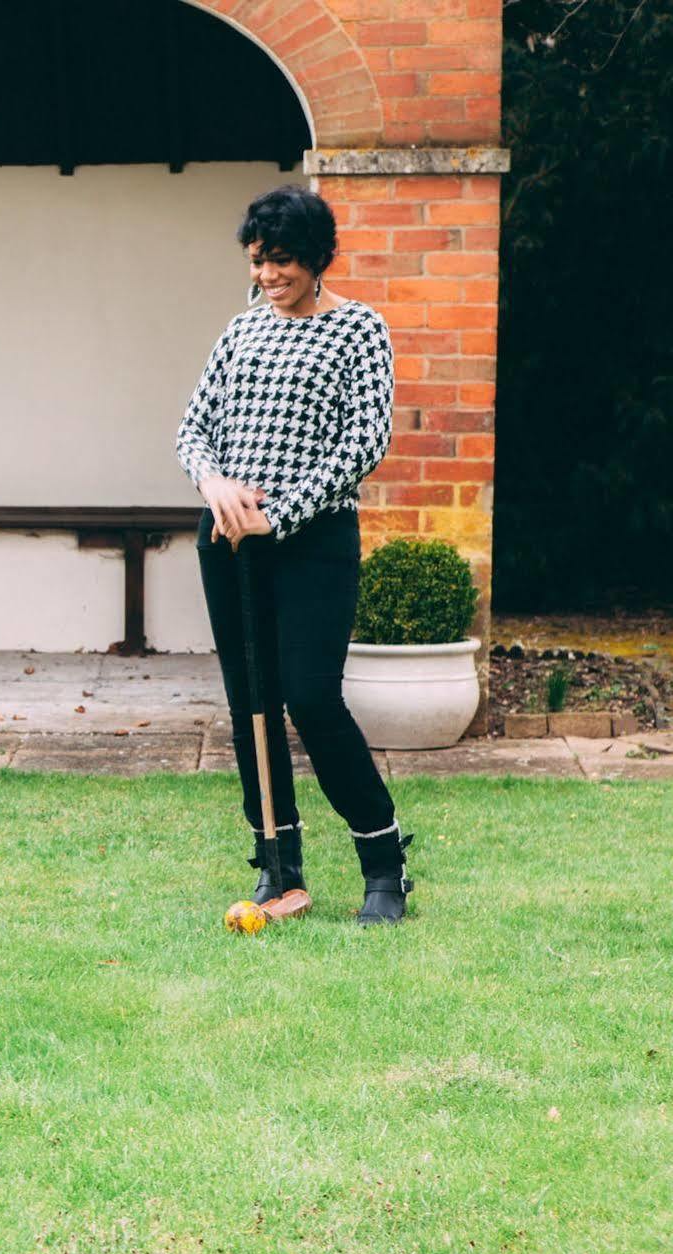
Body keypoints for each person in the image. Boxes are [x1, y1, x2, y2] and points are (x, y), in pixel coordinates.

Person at [175, 184, 413, 925]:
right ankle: (277, 870)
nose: (267, 275)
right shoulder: (240, 330)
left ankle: (383, 863)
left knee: (309, 697)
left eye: (280, 262)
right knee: (250, 707)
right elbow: (192, 428)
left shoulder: (357, 330)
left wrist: (276, 515)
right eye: (257, 262)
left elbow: (361, 444)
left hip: (310, 543)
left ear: (314, 259)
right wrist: (213, 483)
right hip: (227, 543)